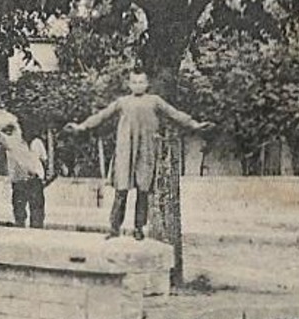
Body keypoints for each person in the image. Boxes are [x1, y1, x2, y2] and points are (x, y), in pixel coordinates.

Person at [65, 70, 212, 240]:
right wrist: (81, 126)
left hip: (146, 150)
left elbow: (174, 113)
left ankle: (138, 228)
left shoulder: (155, 101)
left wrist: (195, 124)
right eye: (134, 82)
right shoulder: (122, 102)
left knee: (143, 191)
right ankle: (114, 228)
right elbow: (102, 115)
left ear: (147, 84)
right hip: (125, 150)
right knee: (121, 191)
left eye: (141, 82)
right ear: (129, 84)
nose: (138, 85)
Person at [9, 126, 51, 229]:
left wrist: (44, 176)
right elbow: (12, 162)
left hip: (35, 180)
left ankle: (37, 231)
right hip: (20, 180)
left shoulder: (37, 143)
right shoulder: (15, 144)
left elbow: (44, 159)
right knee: (19, 211)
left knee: (37, 210)